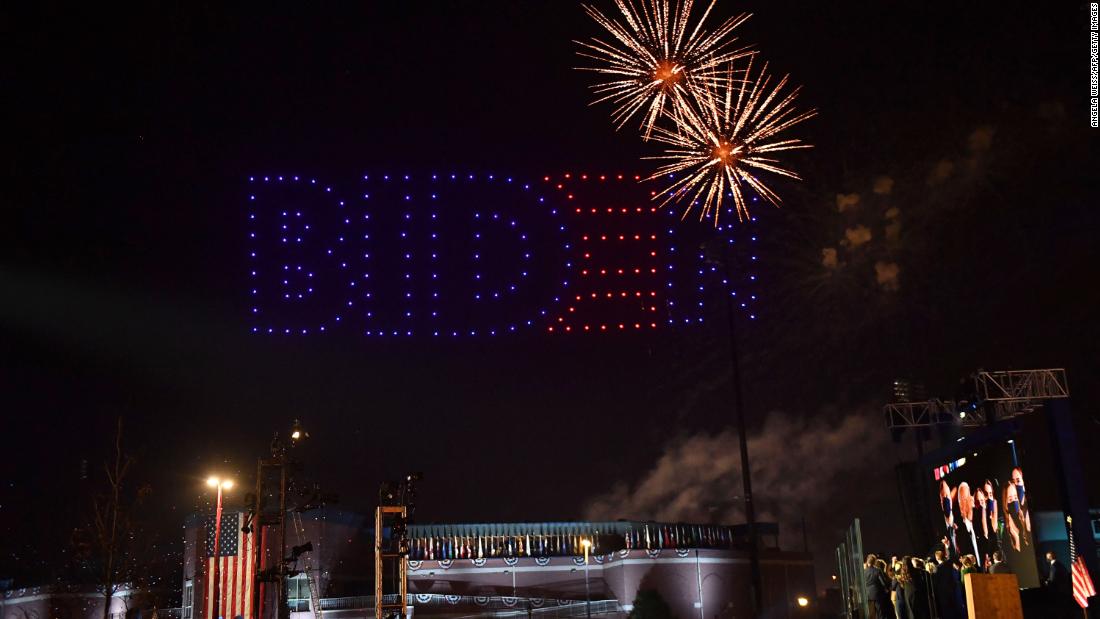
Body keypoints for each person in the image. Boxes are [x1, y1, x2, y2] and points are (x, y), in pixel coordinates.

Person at [933, 550, 962, 619]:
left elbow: (936, 583)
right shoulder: (949, 563)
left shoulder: (937, 569)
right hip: (953, 591)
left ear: (936, 558)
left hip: (944, 595)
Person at [865, 554, 892, 619]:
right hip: (877, 594)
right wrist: (886, 589)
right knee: (880, 613)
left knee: (872, 614)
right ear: (874, 561)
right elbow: (883, 582)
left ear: (867, 562)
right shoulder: (877, 570)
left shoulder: (864, 572)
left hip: (868, 595)